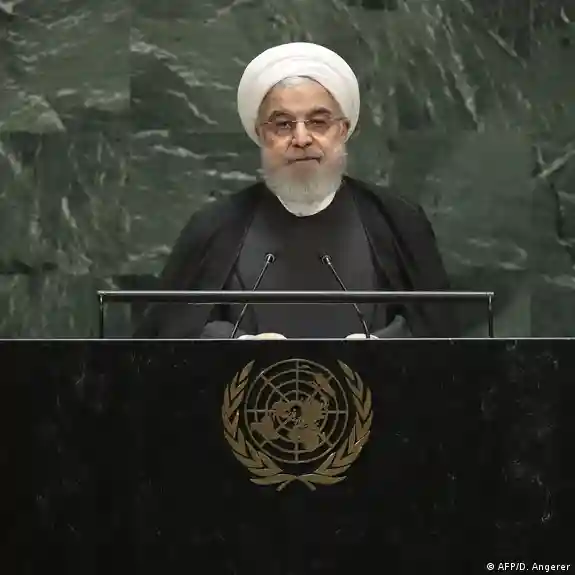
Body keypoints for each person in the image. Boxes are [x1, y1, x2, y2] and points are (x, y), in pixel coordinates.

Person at [134, 42, 459, 340]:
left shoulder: (397, 220)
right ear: (262, 135)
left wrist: (382, 347)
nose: (301, 139)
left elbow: (438, 333)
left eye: (318, 122)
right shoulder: (215, 225)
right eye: (283, 124)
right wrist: (235, 344)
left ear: (343, 130)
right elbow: (169, 335)